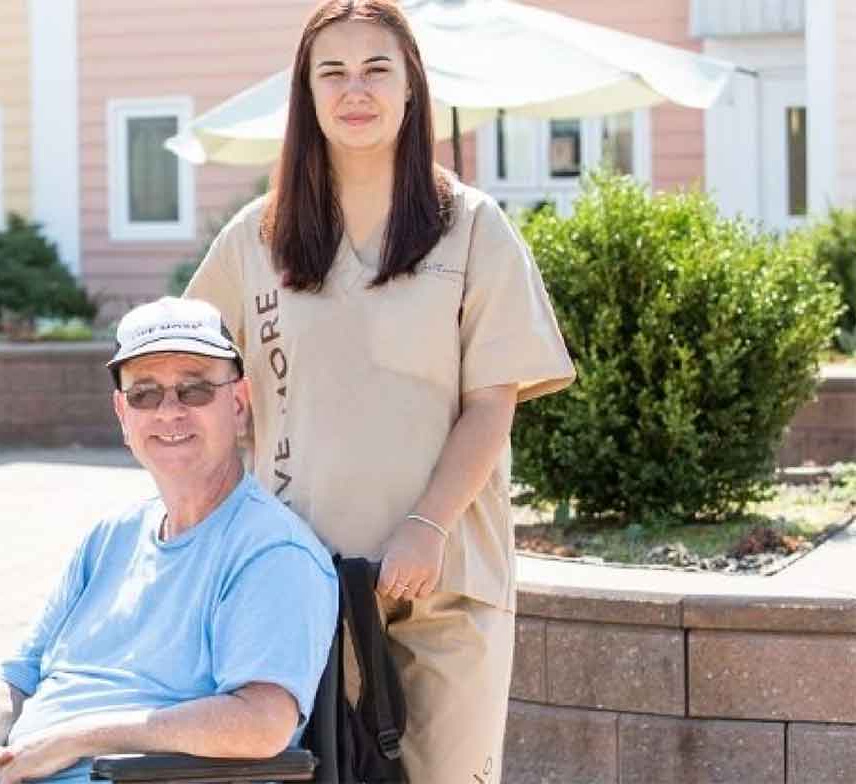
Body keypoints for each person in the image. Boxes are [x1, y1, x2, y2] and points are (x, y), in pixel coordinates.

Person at [185, 2, 576, 781]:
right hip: (297, 579)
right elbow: (191, 386)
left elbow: (491, 402)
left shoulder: (471, 227)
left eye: (376, 70)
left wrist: (427, 525)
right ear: (306, 94)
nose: (353, 90)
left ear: (410, 88)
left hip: (445, 575)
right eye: (332, 72)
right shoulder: (254, 238)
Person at [0, 298, 338, 784]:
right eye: (144, 395)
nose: (169, 412)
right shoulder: (110, 539)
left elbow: (261, 724)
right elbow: (18, 675)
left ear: (237, 405)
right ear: (122, 415)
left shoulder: (273, 553)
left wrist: (78, 739)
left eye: (194, 390)